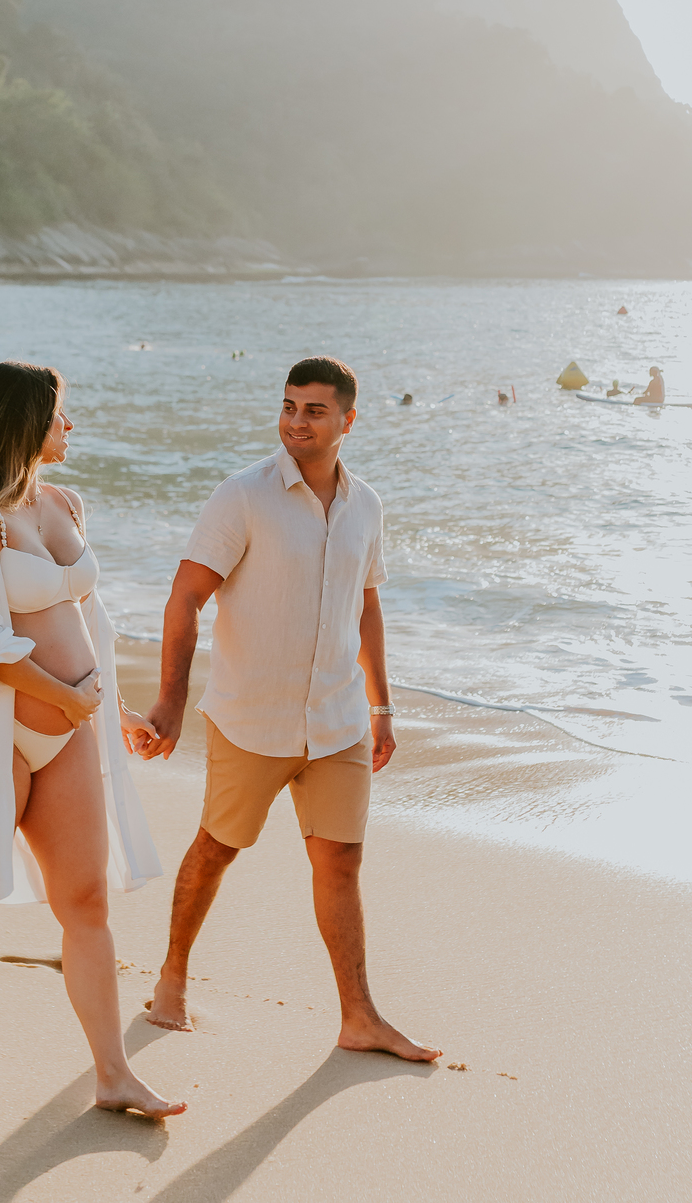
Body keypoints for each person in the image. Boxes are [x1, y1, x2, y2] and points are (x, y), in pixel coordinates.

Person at [141, 355, 442, 1063]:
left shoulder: (366, 506)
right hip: (252, 717)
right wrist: (170, 702)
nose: (295, 422)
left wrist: (382, 707)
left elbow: (367, 606)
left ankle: (359, 1017)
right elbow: (185, 598)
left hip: (338, 721)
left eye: (313, 410)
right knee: (218, 847)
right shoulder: (243, 496)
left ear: (348, 420)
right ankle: (171, 978)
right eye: (288, 406)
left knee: (340, 863)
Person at [0, 360, 185, 1117]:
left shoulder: (66, 502)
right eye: (60, 412)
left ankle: (113, 1074)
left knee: (86, 900)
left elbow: (89, 623)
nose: (70, 424)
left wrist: (112, 709)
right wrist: (66, 696)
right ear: (24, 422)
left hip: (70, 734)